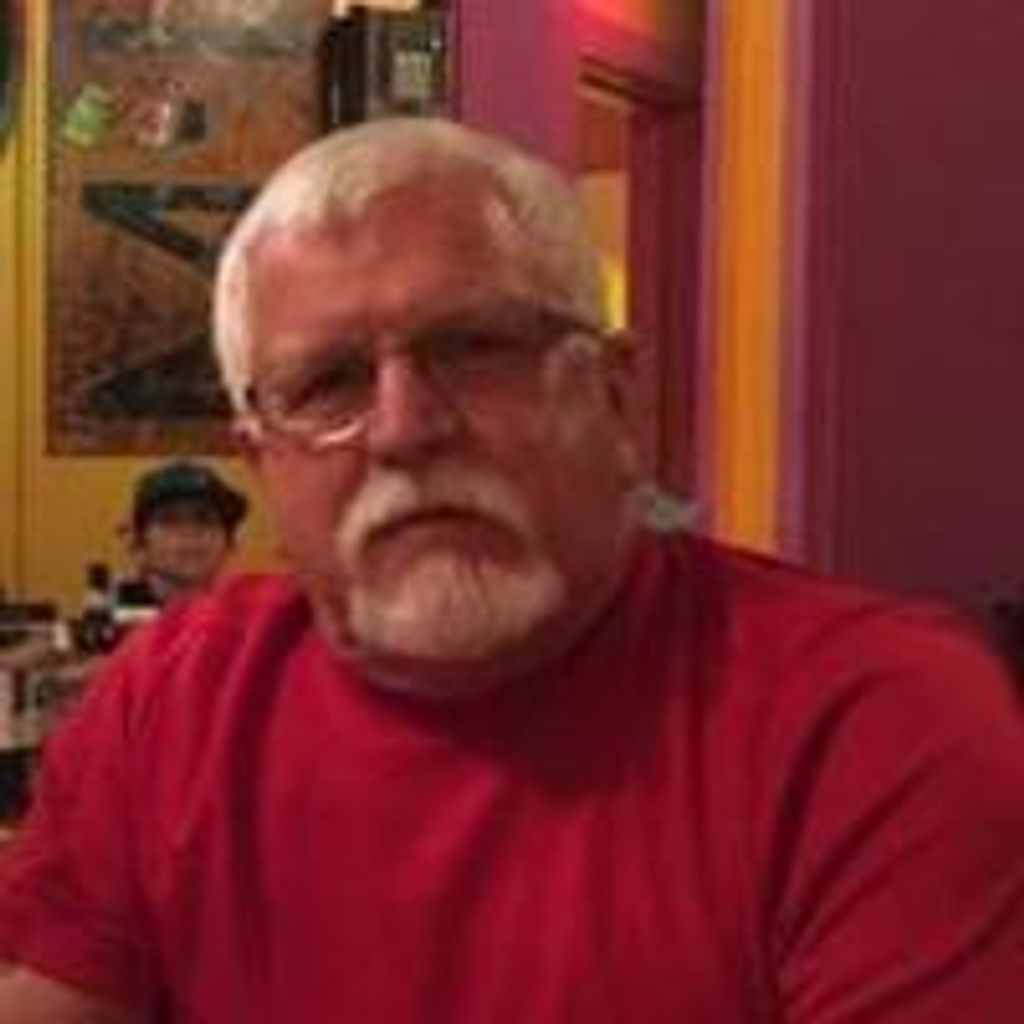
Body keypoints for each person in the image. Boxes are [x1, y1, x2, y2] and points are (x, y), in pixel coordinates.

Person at [1, 118, 1022, 1022]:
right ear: (261, 462)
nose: (404, 429)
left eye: (476, 348)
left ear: (614, 398)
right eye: (328, 383)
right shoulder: (172, 702)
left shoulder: (871, 715)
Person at [116, 459, 248, 609]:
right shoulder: (113, 615)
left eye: (205, 520)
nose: (190, 532)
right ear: (139, 540)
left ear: (230, 541)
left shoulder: (250, 613)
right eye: (169, 520)